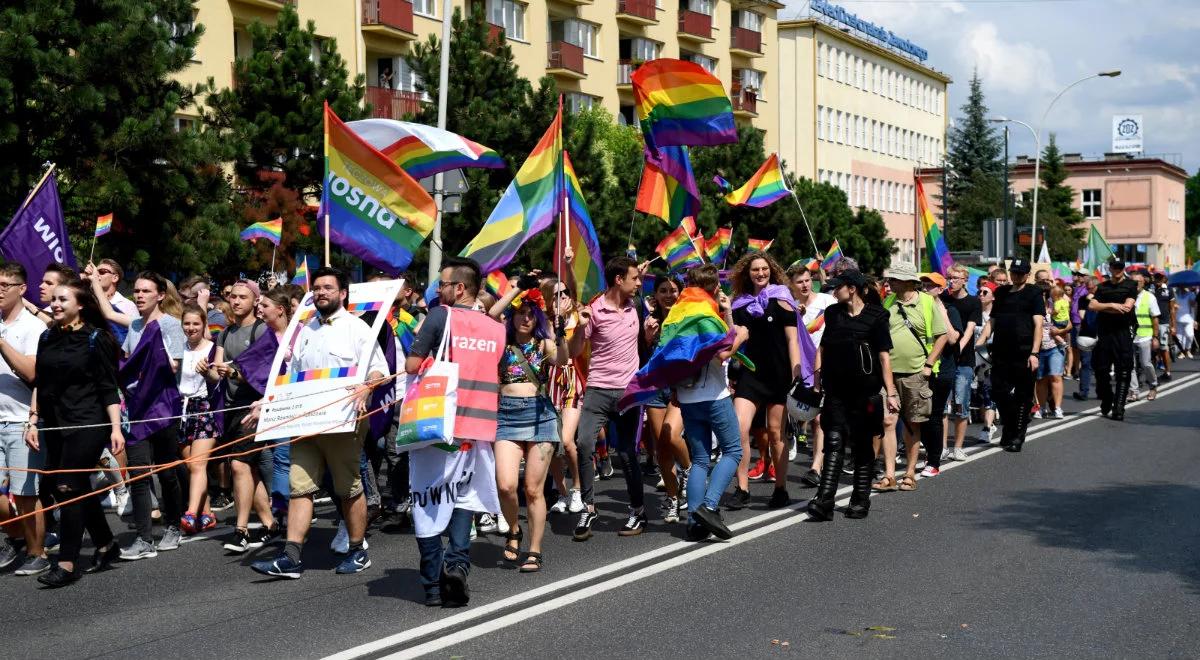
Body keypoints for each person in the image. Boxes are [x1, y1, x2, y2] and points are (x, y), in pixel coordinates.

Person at [251, 268, 387, 578]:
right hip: (306, 422)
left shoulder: (357, 328)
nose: (321, 292)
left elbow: (379, 369)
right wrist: (267, 404)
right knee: (300, 487)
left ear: (343, 294)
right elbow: (290, 378)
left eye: (328, 287)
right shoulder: (302, 330)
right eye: (317, 288)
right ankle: (291, 556)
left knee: (348, 487)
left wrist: (368, 386)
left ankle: (357, 550)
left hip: (343, 421)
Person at [404, 257, 504, 607]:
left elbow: (413, 365)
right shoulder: (496, 328)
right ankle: (458, 566)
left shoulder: (439, 316)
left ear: (459, 288)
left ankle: (432, 585)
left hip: (437, 426)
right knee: (464, 499)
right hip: (478, 431)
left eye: (443, 284)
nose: (437, 290)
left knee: (428, 499)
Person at [25, 279, 123, 587]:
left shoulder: (97, 339)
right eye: (53, 299)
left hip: (89, 422)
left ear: (80, 305)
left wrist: (116, 428)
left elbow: (109, 389)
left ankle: (66, 562)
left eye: (62, 300)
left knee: (68, 485)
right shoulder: (46, 337)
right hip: (55, 423)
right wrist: (33, 419)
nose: (55, 304)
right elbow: (41, 382)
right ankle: (106, 544)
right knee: (66, 485)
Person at [568, 256, 649, 539]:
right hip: (598, 390)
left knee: (627, 454)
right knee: (584, 442)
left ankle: (638, 511)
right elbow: (575, 350)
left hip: (629, 392)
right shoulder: (595, 310)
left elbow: (647, 340)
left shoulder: (637, 306)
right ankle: (588, 507)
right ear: (618, 279)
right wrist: (579, 327)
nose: (639, 282)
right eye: (635, 278)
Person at [490, 285, 568, 572]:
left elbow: (562, 360)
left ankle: (534, 550)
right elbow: (491, 313)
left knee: (533, 490)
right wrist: (517, 290)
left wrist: (559, 336)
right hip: (506, 418)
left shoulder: (543, 343)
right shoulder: (500, 340)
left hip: (540, 416)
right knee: (506, 485)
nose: (526, 319)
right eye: (520, 314)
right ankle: (513, 530)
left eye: (531, 315)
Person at [808, 269, 894, 520]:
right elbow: (822, 348)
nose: (834, 292)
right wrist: (817, 380)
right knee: (833, 441)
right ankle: (824, 501)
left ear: (852, 289)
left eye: (838, 287)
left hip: (865, 393)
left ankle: (860, 500)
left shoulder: (877, 316)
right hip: (836, 389)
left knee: (862, 444)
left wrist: (891, 394)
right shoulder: (833, 313)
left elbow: (883, 357)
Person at [671, 265, 746, 540]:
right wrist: (739, 331)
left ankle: (693, 521)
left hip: (688, 396)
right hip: (713, 394)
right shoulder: (705, 313)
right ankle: (710, 507)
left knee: (700, 459)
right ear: (714, 288)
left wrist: (726, 311)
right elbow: (724, 353)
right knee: (733, 451)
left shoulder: (679, 312)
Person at [117, 271, 186, 560]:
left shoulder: (170, 325)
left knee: (168, 471)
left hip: (164, 410)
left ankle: (173, 525)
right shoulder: (133, 326)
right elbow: (126, 360)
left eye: (146, 291)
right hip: (137, 410)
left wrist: (157, 358)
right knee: (138, 473)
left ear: (160, 295)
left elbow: (174, 367)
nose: (139, 295)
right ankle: (144, 537)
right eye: (136, 291)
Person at [206, 279, 276, 554]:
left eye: (242, 297)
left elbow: (265, 374)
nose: (235, 301)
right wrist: (207, 370)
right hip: (231, 407)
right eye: (232, 296)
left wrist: (235, 373)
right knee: (248, 469)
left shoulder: (262, 331)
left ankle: (242, 529)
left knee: (238, 465)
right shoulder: (224, 333)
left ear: (254, 301)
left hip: (254, 407)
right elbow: (218, 372)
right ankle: (271, 524)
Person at [728, 252, 801, 509]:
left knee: (775, 433)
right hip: (751, 374)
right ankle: (742, 488)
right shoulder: (739, 304)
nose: (760, 273)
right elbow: (733, 339)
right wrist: (726, 311)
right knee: (739, 429)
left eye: (764, 269)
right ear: (747, 274)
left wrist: (796, 372)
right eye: (755, 270)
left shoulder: (782, 298)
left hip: (779, 374)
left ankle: (780, 488)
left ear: (771, 270)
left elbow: (793, 340)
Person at [878, 264, 946, 492]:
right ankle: (889, 475)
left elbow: (942, 336)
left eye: (895, 279)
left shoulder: (927, 302)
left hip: (917, 373)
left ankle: (909, 472)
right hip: (888, 374)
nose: (890, 283)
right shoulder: (888, 302)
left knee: (912, 423)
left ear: (908, 282)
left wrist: (928, 365)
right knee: (889, 421)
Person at [0, 264, 49, 575]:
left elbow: (33, 374)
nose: (0, 289)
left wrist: (2, 343)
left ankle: (37, 551)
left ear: (22, 289)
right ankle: (17, 536)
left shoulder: (34, 328)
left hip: (21, 423)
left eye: (7, 284)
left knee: (27, 494)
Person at [979, 259, 1043, 451]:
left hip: (1024, 352)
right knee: (999, 393)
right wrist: (980, 342)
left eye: (1021, 273)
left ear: (1028, 274)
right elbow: (992, 321)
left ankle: (1017, 437)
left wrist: (1034, 353)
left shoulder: (1034, 293)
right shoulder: (1002, 293)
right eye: (1014, 272)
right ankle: (1010, 426)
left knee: (1023, 396)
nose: (1016, 276)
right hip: (1001, 351)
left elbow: (1038, 325)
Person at [641, 274, 690, 523]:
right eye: (663, 290)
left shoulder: (686, 319)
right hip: (655, 389)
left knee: (671, 436)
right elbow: (641, 355)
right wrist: (648, 338)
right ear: (656, 296)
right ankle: (673, 499)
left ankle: (690, 472)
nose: (669, 295)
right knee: (661, 448)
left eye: (673, 290)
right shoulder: (649, 321)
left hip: (680, 388)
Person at [787, 262, 836, 487]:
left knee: (819, 419)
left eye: (808, 280)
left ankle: (816, 466)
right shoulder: (788, 307)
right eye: (800, 282)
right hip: (800, 369)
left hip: (826, 366)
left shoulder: (828, 302)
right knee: (797, 414)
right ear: (792, 285)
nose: (805, 285)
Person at [178, 304, 219, 536]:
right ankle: (207, 513)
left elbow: (218, 378)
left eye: (196, 323)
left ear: (204, 325)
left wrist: (208, 372)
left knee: (197, 464)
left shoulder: (213, 349)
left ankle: (191, 513)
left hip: (205, 407)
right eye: (187, 323)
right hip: (182, 409)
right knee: (190, 465)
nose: (191, 328)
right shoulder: (178, 348)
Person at [916, 272, 958, 478]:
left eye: (930, 285)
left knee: (934, 414)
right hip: (920, 369)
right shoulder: (918, 308)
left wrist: (940, 310)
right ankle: (924, 453)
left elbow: (952, 339)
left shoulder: (950, 309)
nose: (925, 288)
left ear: (941, 290)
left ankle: (933, 460)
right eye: (923, 284)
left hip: (943, 371)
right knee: (917, 415)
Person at [940, 264, 981, 461]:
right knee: (942, 405)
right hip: (945, 360)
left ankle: (958, 447)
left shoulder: (973, 302)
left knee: (961, 405)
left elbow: (970, 330)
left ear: (965, 280)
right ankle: (942, 446)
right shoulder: (943, 299)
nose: (952, 281)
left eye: (956, 278)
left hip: (964, 361)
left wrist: (958, 349)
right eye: (949, 277)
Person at [1089, 259, 1138, 420]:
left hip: (1123, 332)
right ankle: (1107, 397)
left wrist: (1106, 308)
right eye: (1114, 267)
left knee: (1123, 371)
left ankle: (1119, 408)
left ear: (1123, 269)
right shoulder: (1102, 287)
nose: (1117, 270)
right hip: (1104, 332)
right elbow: (1092, 306)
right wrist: (1112, 305)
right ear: (1109, 268)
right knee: (1100, 370)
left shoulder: (1130, 285)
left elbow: (1127, 308)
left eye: (1120, 267)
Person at [1033, 274, 1070, 419]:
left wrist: (1060, 331)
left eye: (1045, 293)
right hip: (1038, 348)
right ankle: (1041, 408)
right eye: (1040, 293)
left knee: (1056, 376)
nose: (1042, 295)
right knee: (1041, 379)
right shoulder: (1032, 307)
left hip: (1055, 346)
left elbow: (1069, 324)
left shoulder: (1055, 303)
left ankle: (1058, 408)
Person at [1128, 273, 1159, 401]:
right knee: (1130, 365)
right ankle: (1134, 391)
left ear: (1143, 283)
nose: (1136, 284)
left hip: (1145, 335)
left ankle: (1153, 386)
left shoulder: (1149, 297)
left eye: (1139, 282)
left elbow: (1155, 318)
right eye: (1134, 282)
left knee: (1146, 363)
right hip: (1129, 336)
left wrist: (1155, 337)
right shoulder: (1127, 296)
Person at [974, 281, 999, 442]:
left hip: (991, 355)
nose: (981, 295)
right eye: (980, 292)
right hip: (974, 356)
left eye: (985, 292)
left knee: (989, 390)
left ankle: (987, 427)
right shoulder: (974, 313)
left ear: (993, 297)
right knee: (981, 392)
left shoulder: (996, 316)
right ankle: (988, 421)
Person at [1150, 271, 1174, 381]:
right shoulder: (1150, 290)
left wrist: (1173, 325)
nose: (1158, 280)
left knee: (1164, 349)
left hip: (1163, 323)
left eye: (1160, 278)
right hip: (1150, 323)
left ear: (1164, 279)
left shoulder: (1168, 290)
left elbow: (1172, 309)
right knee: (1153, 349)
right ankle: (1153, 374)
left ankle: (1167, 373)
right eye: (1156, 277)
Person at [1175, 285, 1196, 358]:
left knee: (1190, 335)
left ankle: (1188, 350)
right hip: (1178, 318)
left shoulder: (1191, 294)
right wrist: (1174, 305)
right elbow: (1172, 305)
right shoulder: (1176, 294)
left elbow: (1194, 305)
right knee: (1179, 338)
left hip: (1189, 319)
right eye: (1181, 286)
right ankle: (1182, 352)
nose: (1182, 287)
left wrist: (1192, 302)